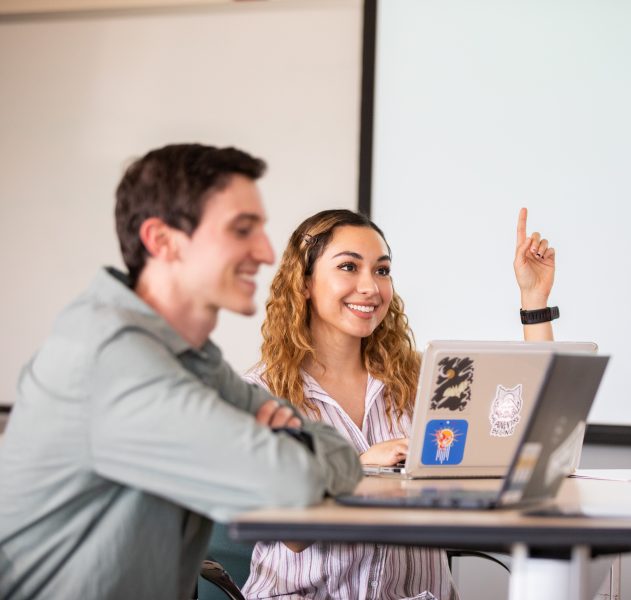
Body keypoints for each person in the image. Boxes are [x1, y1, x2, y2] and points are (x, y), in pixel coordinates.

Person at [0, 144, 362, 600]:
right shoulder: (111, 360)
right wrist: (291, 448)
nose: (267, 253)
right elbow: (290, 486)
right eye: (241, 230)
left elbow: (344, 458)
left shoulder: (191, 358)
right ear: (162, 240)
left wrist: (288, 444)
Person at [240, 208, 556, 599]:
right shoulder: (262, 392)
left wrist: (534, 300)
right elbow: (288, 534)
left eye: (382, 270)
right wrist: (355, 471)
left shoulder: (424, 380)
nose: (371, 287)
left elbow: (537, 424)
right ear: (303, 282)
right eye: (349, 267)